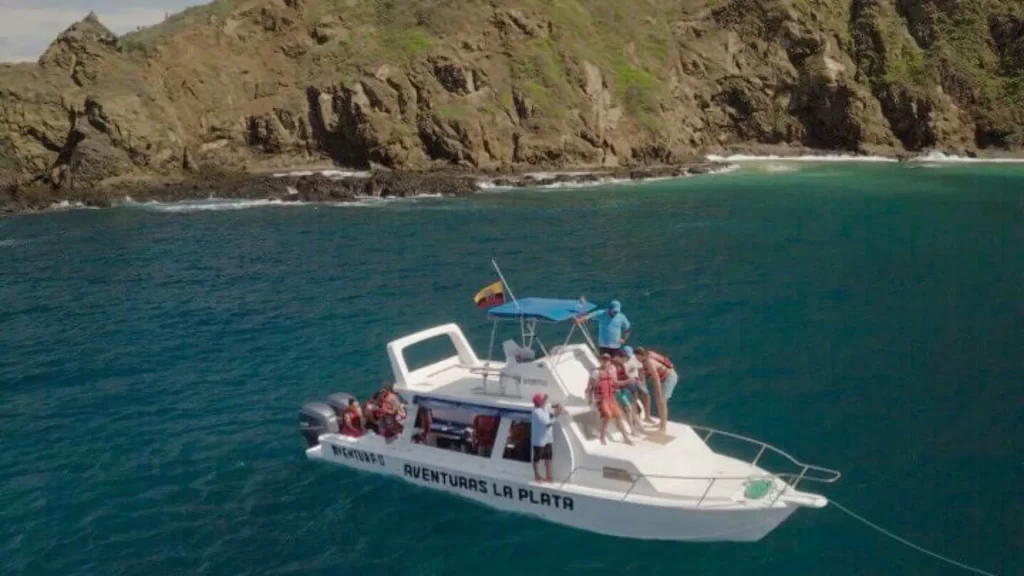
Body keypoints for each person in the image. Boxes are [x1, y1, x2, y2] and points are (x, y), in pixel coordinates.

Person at [587, 353, 634, 446]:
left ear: (609, 361)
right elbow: (591, 386)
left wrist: (627, 381)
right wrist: (590, 399)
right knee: (607, 416)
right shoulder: (596, 372)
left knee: (618, 417)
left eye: (607, 360)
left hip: (610, 397)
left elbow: (616, 383)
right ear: (601, 361)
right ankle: (602, 436)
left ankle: (625, 437)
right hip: (601, 399)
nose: (605, 362)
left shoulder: (610, 372)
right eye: (604, 360)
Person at [634, 347, 679, 432]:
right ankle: (661, 422)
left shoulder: (649, 362)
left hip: (669, 378)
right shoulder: (644, 360)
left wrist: (658, 392)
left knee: (662, 402)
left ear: (642, 355)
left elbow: (656, 378)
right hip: (662, 380)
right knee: (658, 402)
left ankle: (663, 427)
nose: (637, 359)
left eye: (637, 357)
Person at [530, 393, 564, 482]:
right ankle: (536, 475)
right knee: (537, 458)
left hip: (548, 439)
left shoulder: (544, 407)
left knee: (548, 457)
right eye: (543, 400)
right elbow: (547, 424)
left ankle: (548, 476)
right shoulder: (537, 412)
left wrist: (558, 405)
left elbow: (551, 405)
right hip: (539, 441)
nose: (545, 401)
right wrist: (556, 415)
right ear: (539, 402)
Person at [612, 355, 643, 435]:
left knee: (631, 408)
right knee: (628, 409)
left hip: (623, 390)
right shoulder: (613, 370)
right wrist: (627, 381)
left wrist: (630, 380)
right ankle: (632, 430)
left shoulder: (622, 367)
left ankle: (637, 428)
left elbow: (626, 376)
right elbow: (615, 383)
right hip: (617, 391)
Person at [622, 346, 653, 424]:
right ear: (638, 355)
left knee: (647, 396)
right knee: (635, 395)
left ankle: (647, 417)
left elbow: (641, 371)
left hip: (637, 380)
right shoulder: (629, 360)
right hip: (629, 380)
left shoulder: (639, 362)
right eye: (642, 356)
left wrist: (643, 382)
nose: (642, 358)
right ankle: (634, 416)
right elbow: (625, 373)